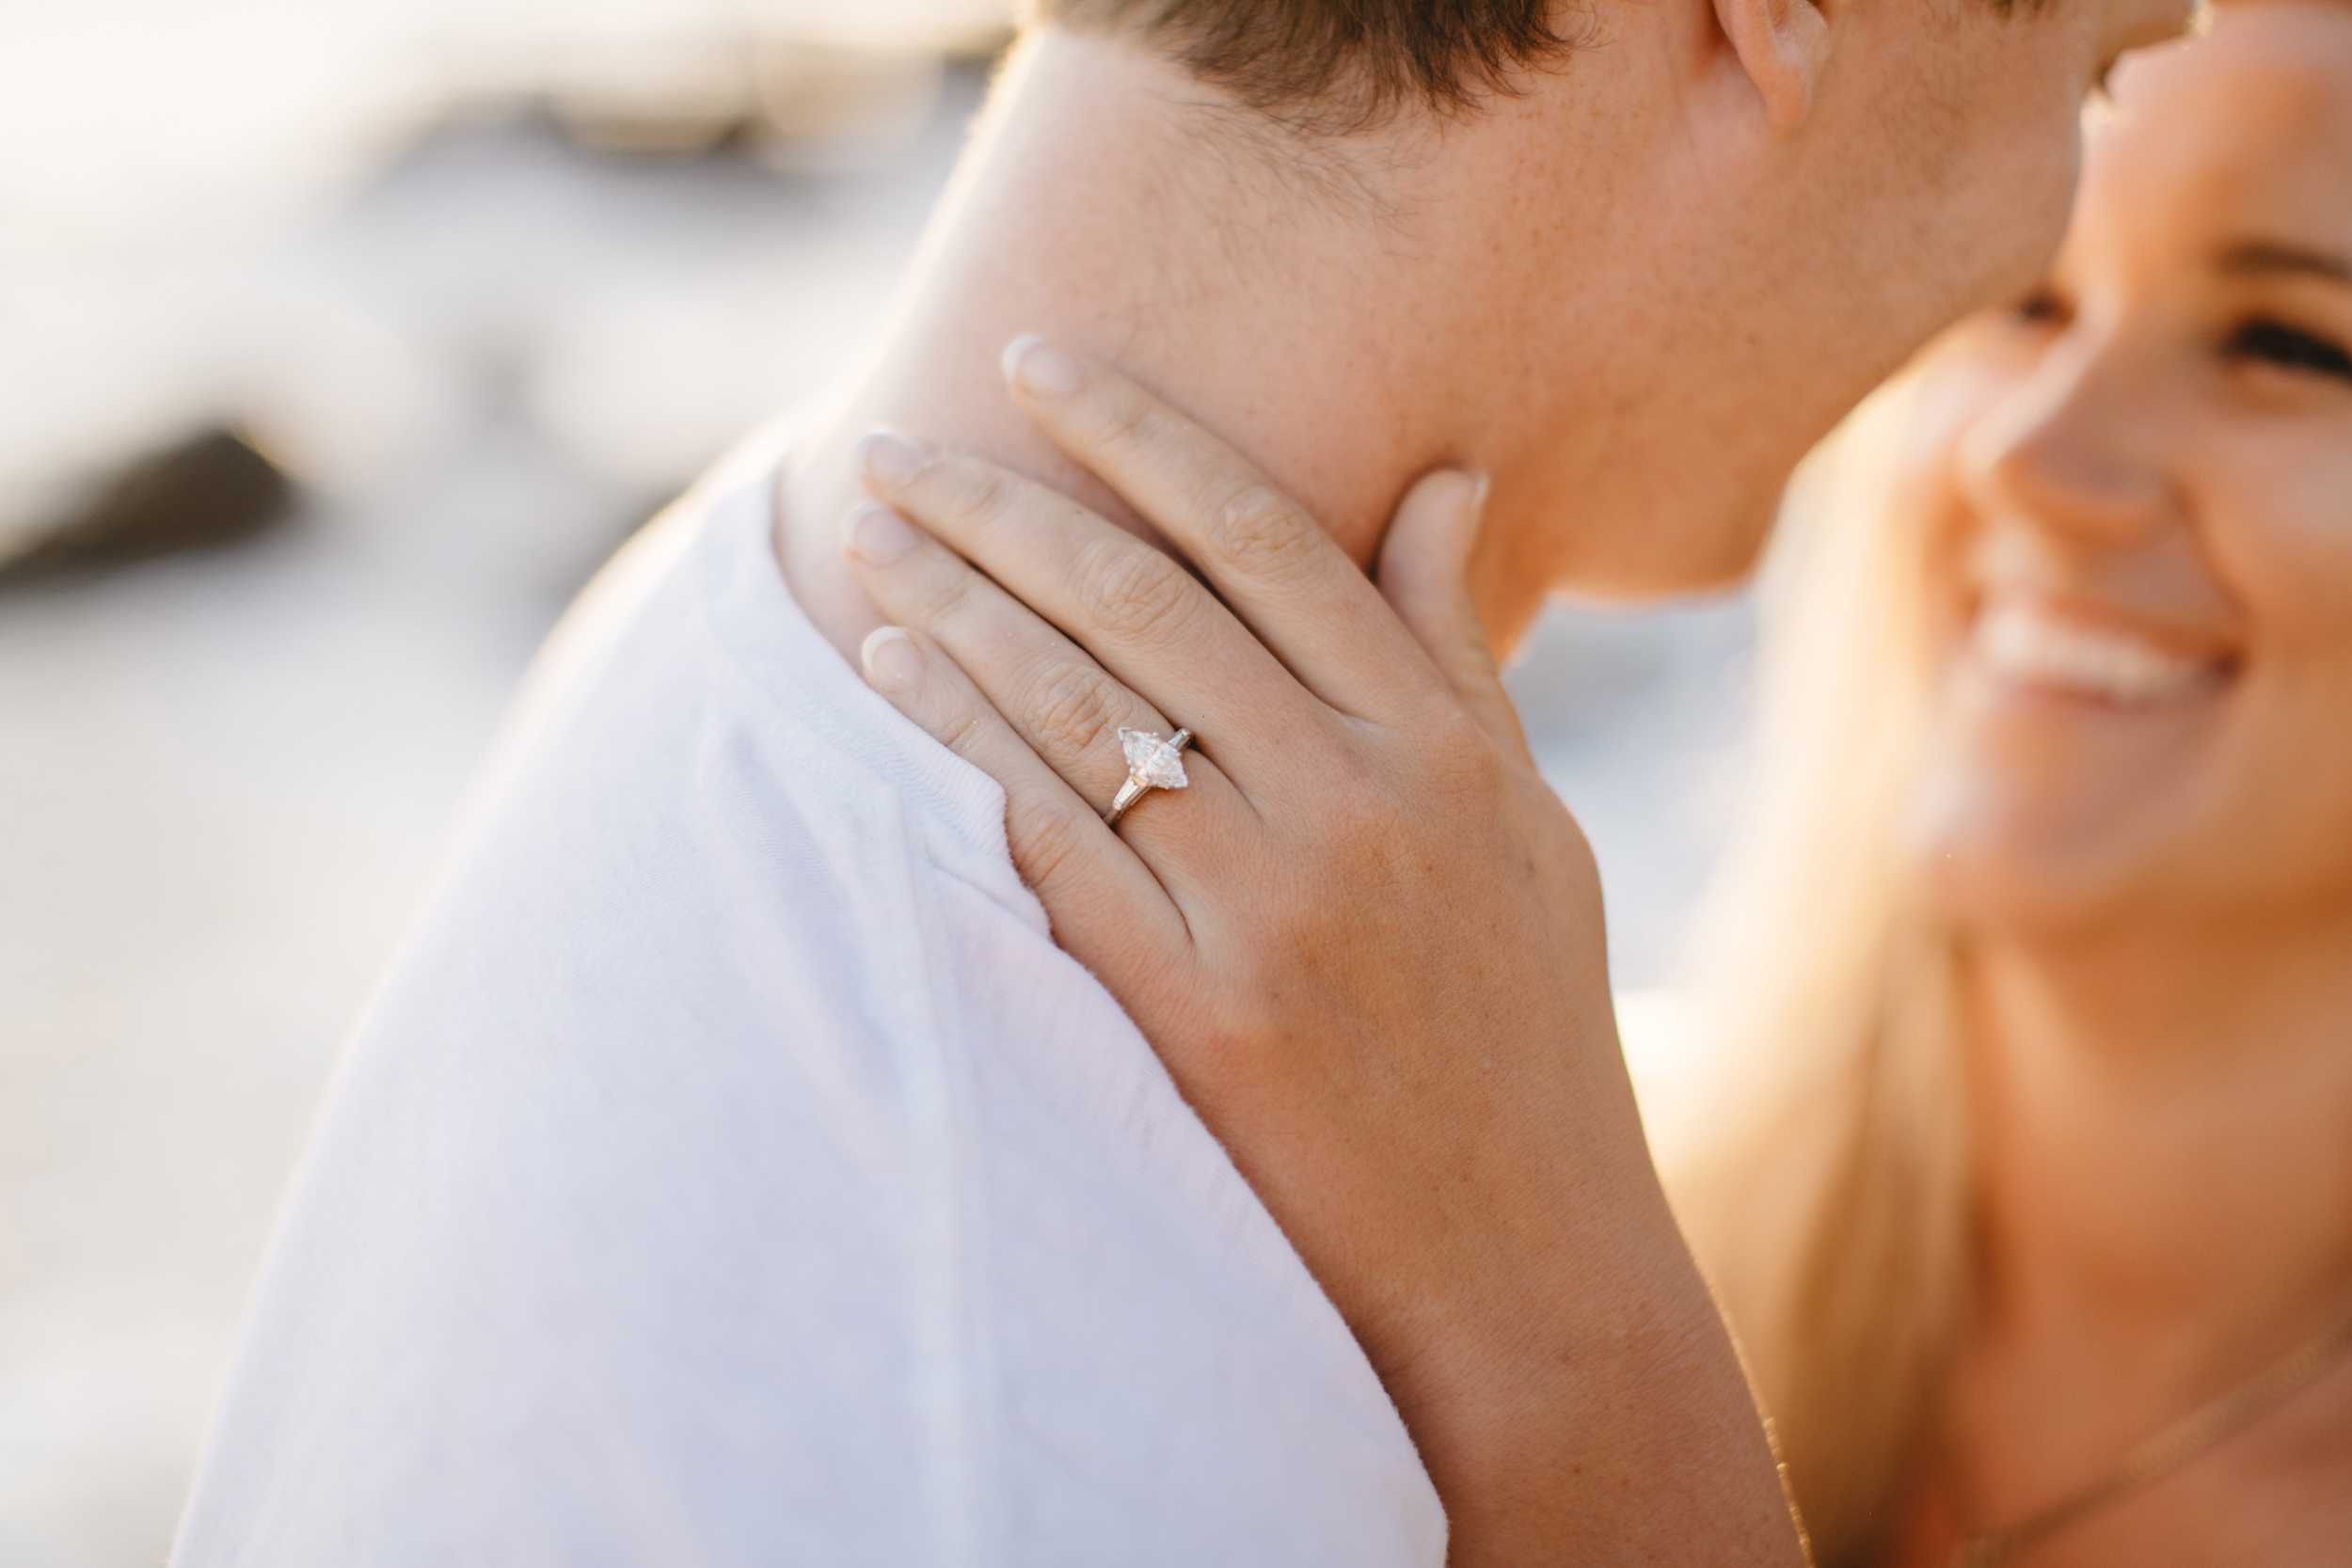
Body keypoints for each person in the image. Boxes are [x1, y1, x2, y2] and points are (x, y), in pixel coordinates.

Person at [173, 0, 2184, 1561]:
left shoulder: (740, 599)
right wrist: (1612, 1393)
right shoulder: (1037, 1439)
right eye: (2088, 74)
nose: (2162, 39)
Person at [850, 0, 2352, 1560]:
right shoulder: (1486, 1165)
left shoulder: (1538, 1254)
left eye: (2291, 346)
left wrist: (1574, 1361)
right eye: (2029, 310)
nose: (2032, 458)